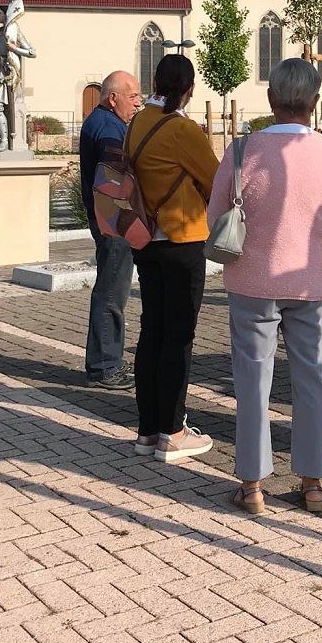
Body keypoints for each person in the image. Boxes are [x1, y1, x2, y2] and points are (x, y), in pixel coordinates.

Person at [208, 59, 322, 515]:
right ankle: (312, 481)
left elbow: (216, 218)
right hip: (311, 281)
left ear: (271, 100)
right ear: (315, 103)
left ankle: (252, 484)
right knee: (314, 377)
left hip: (252, 279)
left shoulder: (241, 151)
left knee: (252, 380)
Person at [129, 55, 219, 462]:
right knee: (179, 338)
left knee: (152, 331)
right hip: (182, 238)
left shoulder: (136, 123)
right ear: (190, 88)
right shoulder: (183, 129)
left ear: (155, 82)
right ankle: (173, 430)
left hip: (145, 239)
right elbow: (217, 181)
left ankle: (147, 428)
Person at [79, 71, 143, 389]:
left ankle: (107, 359)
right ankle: (105, 366)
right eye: (133, 96)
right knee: (111, 294)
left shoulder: (106, 121)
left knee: (111, 290)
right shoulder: (108, 128)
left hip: (110, 222)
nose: (139, 102)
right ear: (113, 97)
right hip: (113, 224)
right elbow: (114, 182)